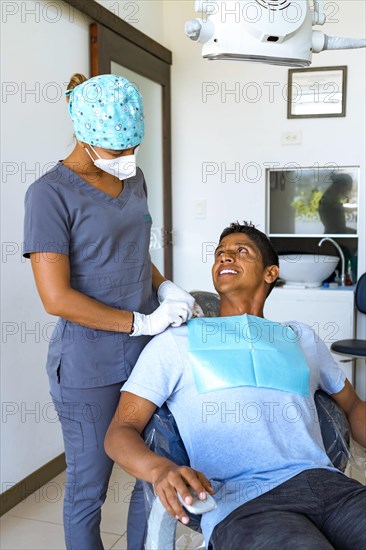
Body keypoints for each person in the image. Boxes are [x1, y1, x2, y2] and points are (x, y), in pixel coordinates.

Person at [105, 221, 366, 550]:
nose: (225, 257)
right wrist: (159, 470)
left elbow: (354, 405)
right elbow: (120, 429)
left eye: (241, 251)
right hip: (244, 503)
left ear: (271, 273)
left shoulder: (301, 338)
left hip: (331, 487)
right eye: (219, 253)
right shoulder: (175, 343)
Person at [23, 73, 199, 550]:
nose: (127, 159)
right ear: (84, 136)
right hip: (89, 364)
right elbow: (56, 298)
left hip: (148, 355)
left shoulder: (133, 177)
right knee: (88, 488)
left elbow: (133, 251)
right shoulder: (49, 195)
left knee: (151, 475)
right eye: (117, 150)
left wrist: (167, 289)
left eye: (132, 148)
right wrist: (140, 321)